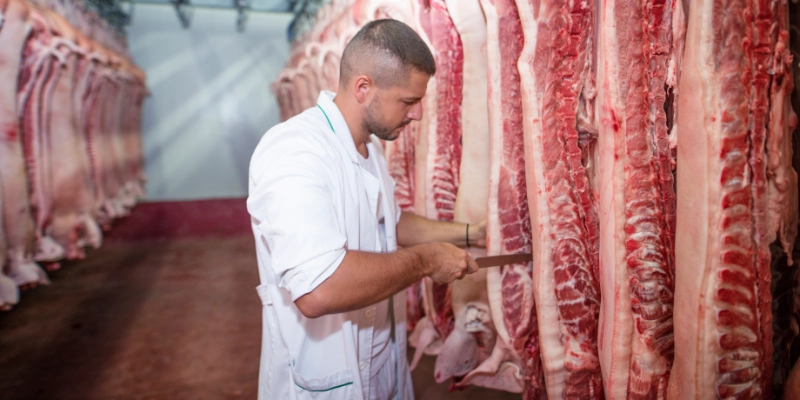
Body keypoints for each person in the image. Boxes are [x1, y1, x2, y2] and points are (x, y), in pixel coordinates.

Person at [247, 19, 485, 400]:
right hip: (323, 384)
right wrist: (425, 261)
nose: (418, 114)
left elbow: (388, 223)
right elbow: (319, 289)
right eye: (408, 101)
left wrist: (471, 234)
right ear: (363, 88)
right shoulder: (294, 152)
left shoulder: (369, 149)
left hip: (382, 368)